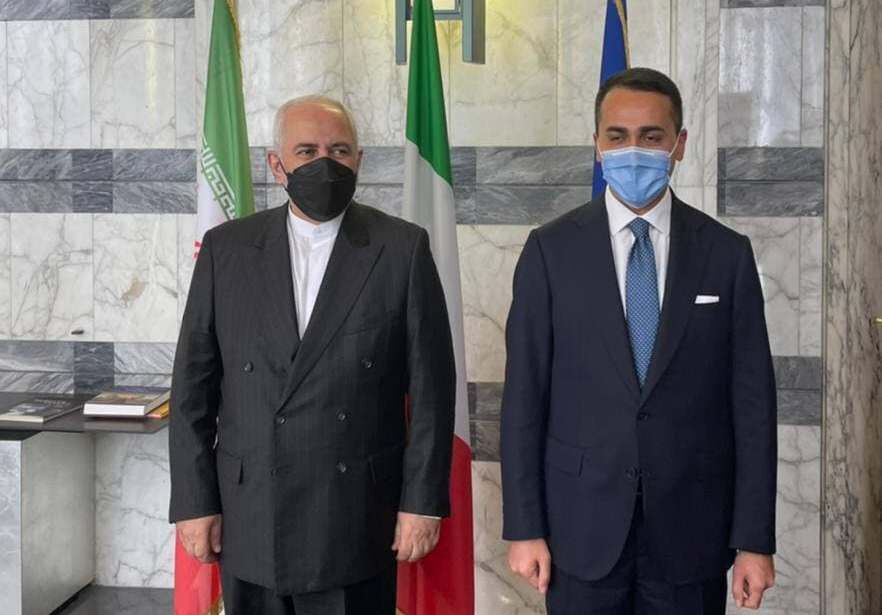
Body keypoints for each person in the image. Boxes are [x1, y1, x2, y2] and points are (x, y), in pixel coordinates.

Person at [501, 68, 777, 615]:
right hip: (580, 531)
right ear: (597, 145)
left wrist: (754, 540)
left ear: (679, 144)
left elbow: (753, 407)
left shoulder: (727, 255)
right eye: (617, 136)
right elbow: (524, 399)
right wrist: (524, 527)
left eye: (651, 137)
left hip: (693, 534)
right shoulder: (550, 252)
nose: (634, 151)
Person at [169, 95, 455, 615]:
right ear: (276, 165)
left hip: (354, 520)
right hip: (251, 514)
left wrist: (422, 503)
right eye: (306, 151)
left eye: (338, 150)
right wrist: (193, 502)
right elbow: (192, 392)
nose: (325, 163)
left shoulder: (402, 249)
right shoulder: (225, 250)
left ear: (359, 161)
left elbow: (432, 392)